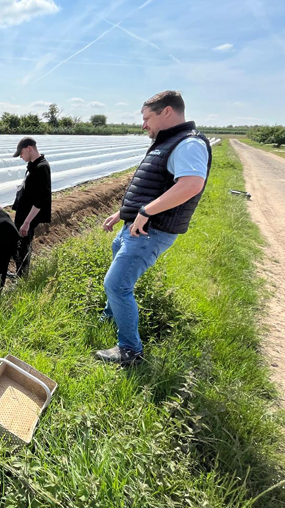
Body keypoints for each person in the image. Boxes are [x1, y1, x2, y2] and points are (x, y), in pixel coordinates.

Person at [96, 90, 212, 366]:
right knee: (117, 280)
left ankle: (130, 350)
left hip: (152, 231)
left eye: (147, 117)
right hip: (135, 226)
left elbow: (191, 185)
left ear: (167, 112)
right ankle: (109, 318)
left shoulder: (188, 144)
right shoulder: (170, 141)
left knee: (117, 284)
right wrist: (122, 213)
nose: (143, 124)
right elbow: (154, 186)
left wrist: (146, 212)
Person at [12, 137, 52, 277]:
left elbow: (40, 200)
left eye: (21, 153)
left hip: (27, 217)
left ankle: (22, 277)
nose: (21, 157)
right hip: (24, 214)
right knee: (20, 245)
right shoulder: (34, 165)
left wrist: (27, 222)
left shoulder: (41, 167)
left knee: (23, 246)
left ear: (29, 148)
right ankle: (20, 273)